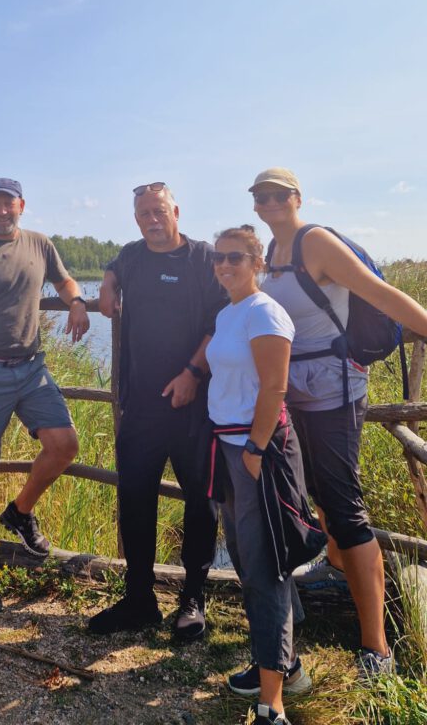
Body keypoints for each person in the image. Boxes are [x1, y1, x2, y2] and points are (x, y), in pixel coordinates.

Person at [251, 167, 427, 677]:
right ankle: (332, 571)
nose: (270, 202)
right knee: (315, 496)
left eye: (279, 194)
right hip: (292, 392)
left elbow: (379, 294)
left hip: (333, 391)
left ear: (297, 198)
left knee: (346, 508)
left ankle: (378, 650)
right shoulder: (272, 251)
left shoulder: (316, 243)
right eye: (262, 196)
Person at [0, 178, 89, 614]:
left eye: (10, 202)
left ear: (21, 205)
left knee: (65, 445)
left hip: (31, 366)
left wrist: (79, 301)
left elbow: (63, 282)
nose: (3, 210)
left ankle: (20, 512)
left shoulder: (40, 243)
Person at [88, 182, 225, 639]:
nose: (152, 218)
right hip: (141, 404)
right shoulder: (130, 256)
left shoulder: (204, 258)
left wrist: (192, 372)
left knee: (200, 503)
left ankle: (193, 596)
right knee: (135, 499)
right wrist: (108, 282)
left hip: (194, 406)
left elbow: (219, 320)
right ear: (136, 218)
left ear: (176, 212)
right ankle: (139, 598)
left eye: (159, 210)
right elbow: (114, 268)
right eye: (144, 212)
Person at [206, 226, 315, 725]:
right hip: (229, 448)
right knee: (250, 560)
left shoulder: (265, 311)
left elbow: (275, 388)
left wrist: (254, 448)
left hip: (259, 450)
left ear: (257, 263)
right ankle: (282, 663)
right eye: (218, 257)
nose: (224, 265)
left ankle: (273, 701)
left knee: (266, 564)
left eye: (235, 257)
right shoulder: (227, 312)